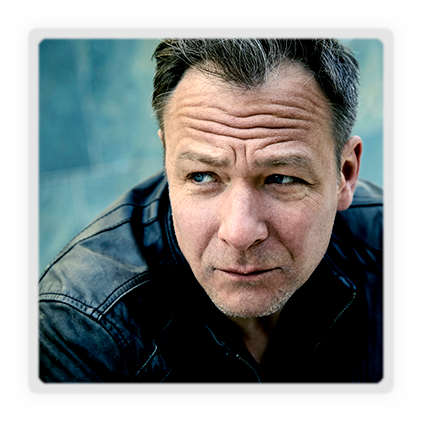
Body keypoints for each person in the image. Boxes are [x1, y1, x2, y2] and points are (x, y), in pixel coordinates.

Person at [39, 39, 383, 383]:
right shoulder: (81, 328)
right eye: (202, 176)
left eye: (281, 178)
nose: (239, 232)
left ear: (345, 174)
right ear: (168, 158)